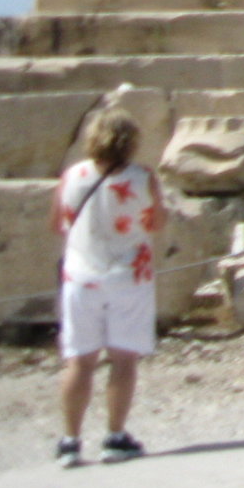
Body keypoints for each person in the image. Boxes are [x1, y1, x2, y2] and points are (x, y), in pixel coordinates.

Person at [53, 109, 164, 467]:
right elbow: (158, 221)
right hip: (129, 275)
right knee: (123, 359)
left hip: (81, 276)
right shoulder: (143, 177)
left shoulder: (72, 176)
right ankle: (115, 437)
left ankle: (70, 441)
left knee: (80, 361)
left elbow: (58, 222)